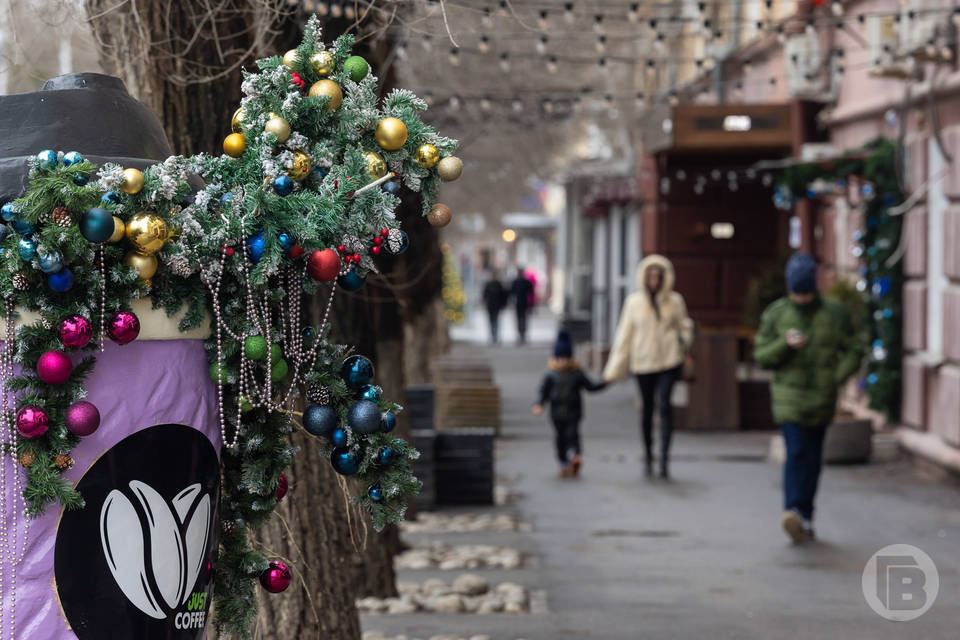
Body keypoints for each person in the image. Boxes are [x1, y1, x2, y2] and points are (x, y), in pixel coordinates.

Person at [753, 253, 863, 544]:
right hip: (789, 399)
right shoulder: (777, 314)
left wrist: (836, 376)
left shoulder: (834, 313)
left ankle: (807, 516)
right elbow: (761, 356)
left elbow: (854, 348)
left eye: (805, 293)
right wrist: (785, 345)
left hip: (822, 398)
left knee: (813, 459)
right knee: (797, 453)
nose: (801, 299)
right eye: (796, 293)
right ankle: (793, 511)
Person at [603, 255, 694, 479]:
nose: (654, 279)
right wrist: (613, 371)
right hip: (642, 362)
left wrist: (682, 342)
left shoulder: (675, 301)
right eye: (650, 275)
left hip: (668, 360)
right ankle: (648, 454)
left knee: (665, 405)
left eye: (658, 275)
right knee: (647, 409)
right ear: (644, 277)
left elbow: (685, 327)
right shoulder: (634, 302)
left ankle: (664, 457)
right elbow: (624, 336)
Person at [533, 330, 606, 477]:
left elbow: (590, 386)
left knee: (573, 434)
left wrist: (605, 383)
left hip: (574, 411)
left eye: (566, 358)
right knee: (560, 437)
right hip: (556, 413)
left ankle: (575, 456)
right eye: (560, 358)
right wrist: (539, 404)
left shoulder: (577, 373)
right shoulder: (550, 375)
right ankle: (563, 461)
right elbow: (543, 392)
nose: (563, 361)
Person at [510, 267, 534, 344]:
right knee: (519, 320)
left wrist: (531, 304)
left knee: (524, 320)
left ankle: (523, 334)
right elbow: (511, 292)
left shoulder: (526, 282)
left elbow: (531, 293)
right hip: (518, 304)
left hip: (525, 303)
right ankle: (520, 334)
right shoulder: (515, 282)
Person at [481, 271, 506, 344]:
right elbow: (484, 295)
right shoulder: (488, 284)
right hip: (490, 306)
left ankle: (496, 336)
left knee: (496, 321)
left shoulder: (499, 284)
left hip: (497, 305)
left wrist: (503, 304)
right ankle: (492, 335)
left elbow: (503, 295)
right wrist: (484, 301)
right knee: (491, 321)